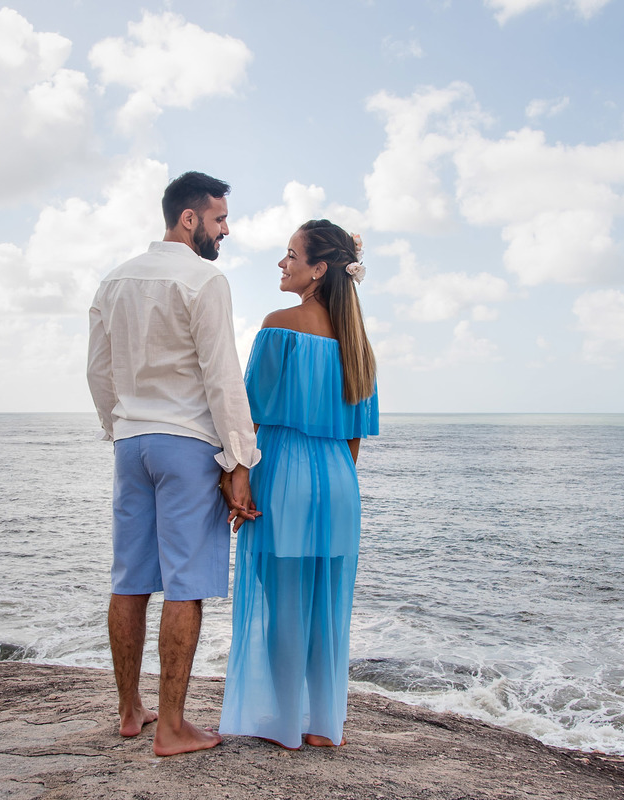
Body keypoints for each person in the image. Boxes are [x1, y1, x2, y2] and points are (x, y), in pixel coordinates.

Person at [86, 171, 260, 757]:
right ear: (189, 218)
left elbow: (98, 372)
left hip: (131, 444)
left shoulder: (114, 280)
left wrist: (120, 427)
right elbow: (222, 376)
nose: (224, 230)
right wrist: (240, 461)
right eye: (218, 219)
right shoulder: (204, 279)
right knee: (184, 584)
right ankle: (174, 726)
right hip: (186, 443)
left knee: (129, 579)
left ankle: (131, 709)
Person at [219, 219, 379, 749]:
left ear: (319, 269)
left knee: (284, 605)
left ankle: (285, 723)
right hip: (338, 482)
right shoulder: (358, 344)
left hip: (284, 473)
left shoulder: (278, 325)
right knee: (327, 608)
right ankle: (322, 726)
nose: (282, 264)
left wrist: (237, 477)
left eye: (291, 255)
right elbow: (355, 439)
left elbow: (248, 414)